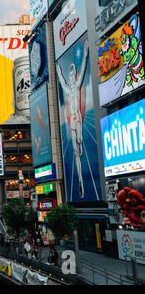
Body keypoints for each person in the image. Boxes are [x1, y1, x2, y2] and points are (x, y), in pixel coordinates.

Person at [56, 39, 90, 198]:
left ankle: (81, 142)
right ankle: (81, 183)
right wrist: (57, 70)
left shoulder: (77, 86)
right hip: (72, 123)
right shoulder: (68, 89)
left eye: (71, 74)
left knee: (80, 140)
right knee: (76, 153)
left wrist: (86, 53)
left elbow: (83, 68)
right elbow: (61, 80)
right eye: (69, 75)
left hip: (78, 119)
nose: (70, 77)